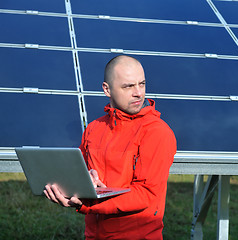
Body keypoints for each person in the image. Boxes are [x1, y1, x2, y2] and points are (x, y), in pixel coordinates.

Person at [44, 55, 177, 239]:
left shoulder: (157, 132)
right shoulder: (94, 129)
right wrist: (74, 187)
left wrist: (86, 204)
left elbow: (145, 194)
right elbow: (79, 174)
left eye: (142, 84)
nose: (138, 92)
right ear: (107, 89)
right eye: (128, 86)